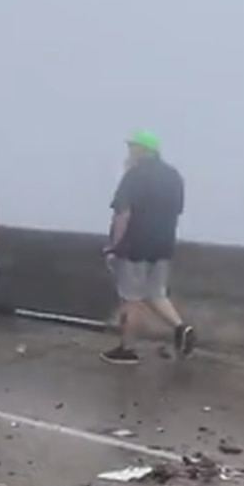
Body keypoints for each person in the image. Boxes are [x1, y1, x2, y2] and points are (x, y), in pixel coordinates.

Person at [100, 130, 195, 365]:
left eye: (133, 147)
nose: (129, 152)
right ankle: (182, 328)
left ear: (143, 150)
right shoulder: (174, 176)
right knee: (155, 294)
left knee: (131, 299)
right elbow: (177, 211)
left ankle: (127, 350)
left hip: (134, 247)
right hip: (163, 246)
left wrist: (114, 245)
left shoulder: (134, 176)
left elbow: (123, 213)